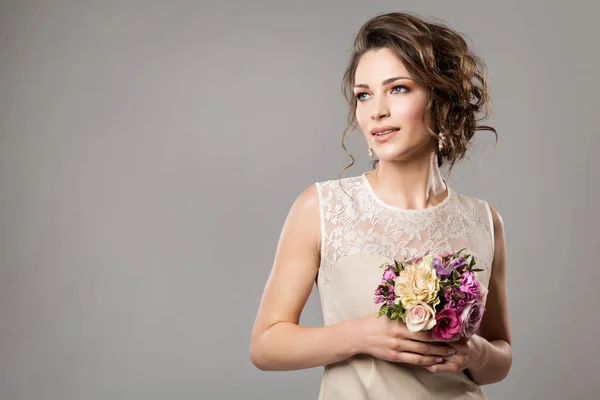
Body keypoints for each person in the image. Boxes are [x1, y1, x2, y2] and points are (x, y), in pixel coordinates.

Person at [249, 11, 512, 399]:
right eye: (364, 94)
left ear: (440, 99)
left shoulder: (484, 221)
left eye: (399, 89)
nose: (377, 111)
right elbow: (265, 346)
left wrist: (473, 352)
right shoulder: (321, 207)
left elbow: (500, 357)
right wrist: (360, 336)